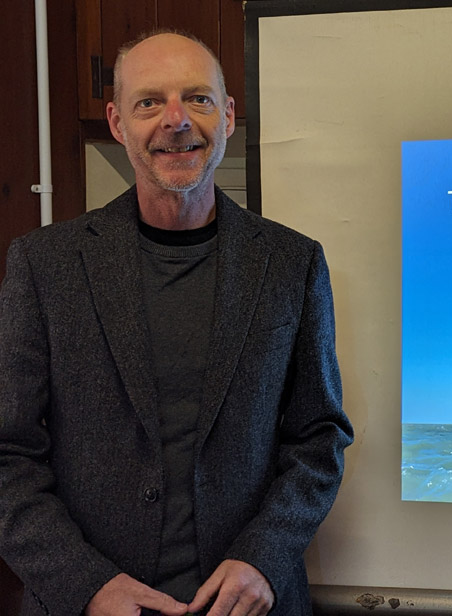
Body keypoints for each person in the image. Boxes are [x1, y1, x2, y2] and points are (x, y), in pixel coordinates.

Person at [0, 30, 354, 616]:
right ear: (117, 123)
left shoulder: (293, 263)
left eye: (198, 98)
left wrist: (265, 554)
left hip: (250, 606)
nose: (176, 120)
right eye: (149, 102)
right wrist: (84, 585)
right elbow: (8, 452)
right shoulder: (44, 265)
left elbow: (319, 438)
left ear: (228, 116)